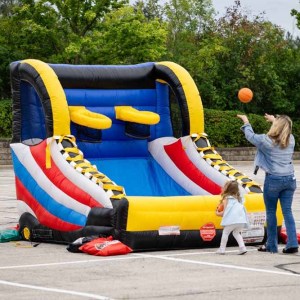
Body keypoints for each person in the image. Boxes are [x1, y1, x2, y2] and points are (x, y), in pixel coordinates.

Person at [237, 113, 298, 254]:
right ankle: (292, 243)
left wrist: (246, 121)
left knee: (271, 212)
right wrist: (275, 120)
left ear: (276, 126)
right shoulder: (292, 140)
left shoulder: (266, 141)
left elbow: (250, 136)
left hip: (274, 180)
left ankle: (271, 245)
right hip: (290, 179)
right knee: (287, 212)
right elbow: (282, 130)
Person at [216, 180, 248, 255]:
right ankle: (242, 248)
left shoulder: (227, 198)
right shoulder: (239, 198)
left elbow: (225, 212)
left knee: (226, 232)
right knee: (236, 233)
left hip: (232, 220)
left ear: (227, 189)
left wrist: (218, 213)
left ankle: (222, 249)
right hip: (241, 220)